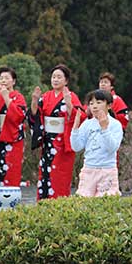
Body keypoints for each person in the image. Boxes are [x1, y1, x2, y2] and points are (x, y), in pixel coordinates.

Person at [28, 64, 85, 200]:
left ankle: (59, 206)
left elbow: (79, 117)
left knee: (60, 176)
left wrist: (68, 103)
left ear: (66, 81)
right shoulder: (46, 96)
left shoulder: (71, 96)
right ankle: (43, 205)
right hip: (48, 142)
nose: (55, 80)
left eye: (59, 77)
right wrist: (35, 101)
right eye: (53, 77)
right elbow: (34, 116)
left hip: (62, 143)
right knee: (45, 176)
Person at [71, 89, 123, 197]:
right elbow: (76, 147)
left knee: (105, 202)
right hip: (89, 169)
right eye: (91, 103)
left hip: (107, 171)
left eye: (98, 102)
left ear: (109, 106)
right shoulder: (87, 124)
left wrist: (104, 128)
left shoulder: (115, 125)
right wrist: (75, 128)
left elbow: (112, 148)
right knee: (84, 201)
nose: (94, 106)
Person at [0, 67, 27, 188]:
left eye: (7, 78)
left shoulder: (18, 97)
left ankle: (10, 198)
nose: (3, 80)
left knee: (11, 169)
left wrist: (6, 97)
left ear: (13, 81)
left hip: (13, 138)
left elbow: (19, 116)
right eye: (1, 78)